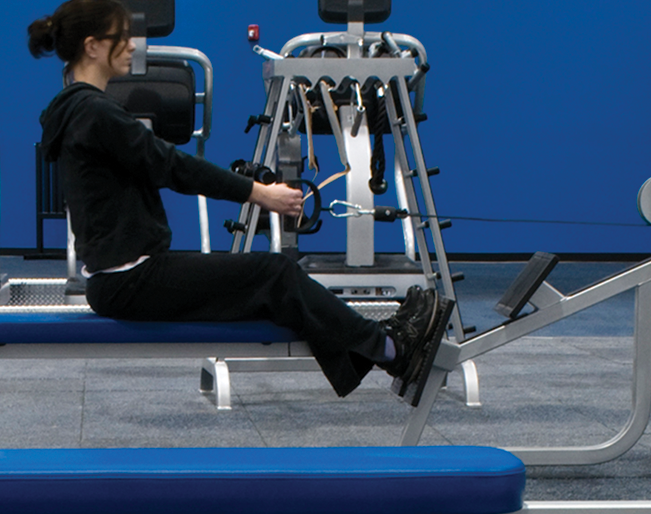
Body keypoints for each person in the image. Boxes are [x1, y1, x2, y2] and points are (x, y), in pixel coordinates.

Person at [29, 0, 452, 401]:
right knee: (275, 274)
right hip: (130, 281)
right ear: (93, 46)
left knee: (272, 284)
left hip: (119, 280)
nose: (132, 45)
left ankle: (376, 347)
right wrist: (261, 194)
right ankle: (392, 350)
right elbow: (175, 167)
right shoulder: (96, 113)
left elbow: (165, 167)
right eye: (120, 37)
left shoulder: (78, 110)